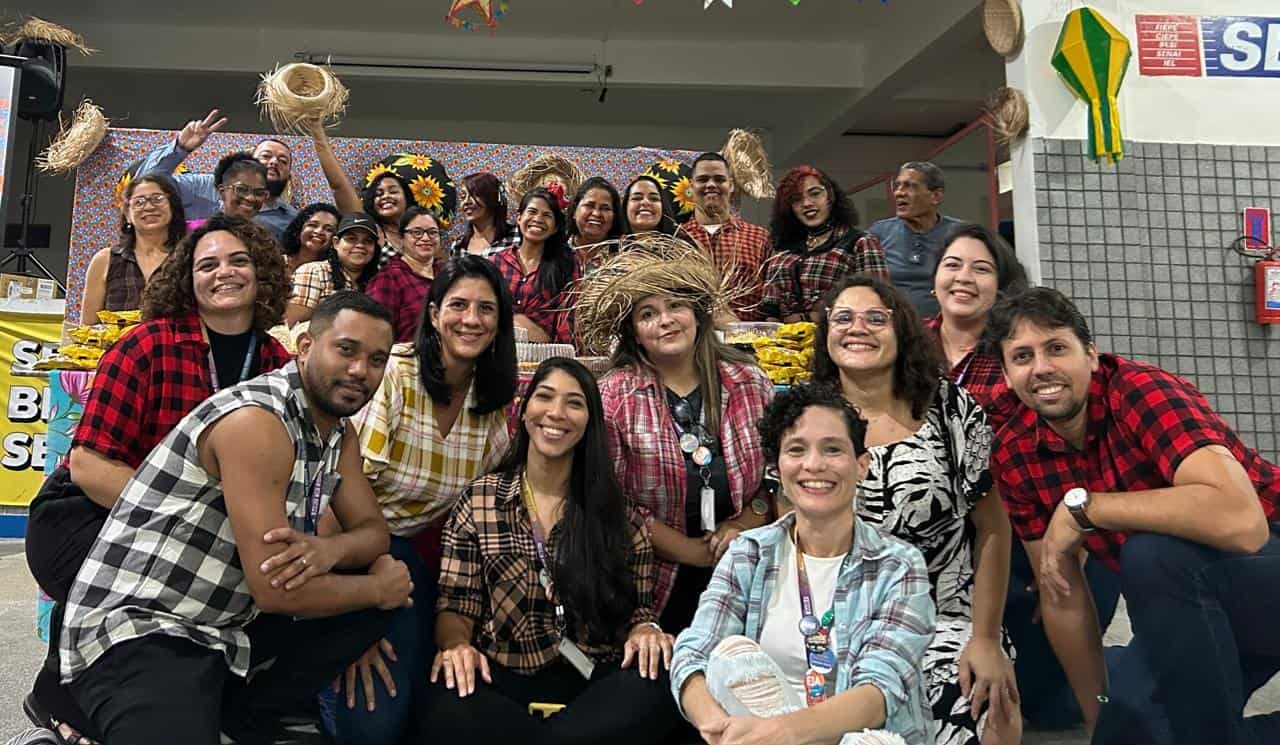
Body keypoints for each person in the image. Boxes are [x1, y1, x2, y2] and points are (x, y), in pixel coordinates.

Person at [57, 293, 412, 745]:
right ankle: (71, 701)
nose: (361, 370)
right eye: (346, 349)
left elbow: (374, 532)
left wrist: (332, 549)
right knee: (381, 589)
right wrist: (379, 587)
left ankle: (239, 716)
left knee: (378, 592)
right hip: (149, 624)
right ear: (305, 346)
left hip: (227, 624)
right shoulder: (258, 422)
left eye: (377, 359)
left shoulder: (337, 432)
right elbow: (276, 590)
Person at [24, 215, 294, 744]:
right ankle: (70, 704)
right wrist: (184, 517)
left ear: (262, 272)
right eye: (207, 264)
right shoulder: (146, 345)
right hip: (87, 511)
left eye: (239, 261)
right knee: (165, 601)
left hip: (205, 532)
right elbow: (89, 466)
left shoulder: (277, 363)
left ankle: (75, 699)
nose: (225, 273)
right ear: (185, 277)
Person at [986, 287, 1280, 745]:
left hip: (1265, 566)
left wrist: (1086, 508)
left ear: (1090, 354)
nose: (1041, 367)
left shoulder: (1139, 390)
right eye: (1022, 356)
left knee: (1153, 552)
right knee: (1124, 733)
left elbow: (1242, 523)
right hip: (1196, 611)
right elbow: (1061, 593)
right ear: (1006, 375)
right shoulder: (1015, 451)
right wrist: (1100, 714)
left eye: (1056, 348)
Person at [424, 357, 680, 744]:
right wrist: (457, 646)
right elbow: (456, 607)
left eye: (574, 403)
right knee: (447, 698)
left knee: (659, 679)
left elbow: (638, 612)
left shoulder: (620, 516)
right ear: (524, 411)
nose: (556, 413)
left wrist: (647, 631)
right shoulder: (480, 501)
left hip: (597, 685)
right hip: (505, 678)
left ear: (590, 422)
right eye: (544, 397)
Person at [812, 274, 1022, 745]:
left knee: (971, 697)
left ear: (902, 330)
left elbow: (992, 530)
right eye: (842, 318)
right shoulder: (805, 417)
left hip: (944, 617)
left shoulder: (950, 409)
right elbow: (795, 540)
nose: (857, 328)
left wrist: (985, 638)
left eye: (875, 318)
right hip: (839, 621)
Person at [672, 382, 936, 744]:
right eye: (796, 450)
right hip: (755, 735)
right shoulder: (749, 553)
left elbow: (880, 692)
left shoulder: (899, 566)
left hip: (850, 737)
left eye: (833, 449)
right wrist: (718, 727)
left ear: (862, 465)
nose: (814, 464)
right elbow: (693, 654)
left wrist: (779, 734)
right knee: (731, 657)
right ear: (777, 467)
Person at [331, 256, 518, 745]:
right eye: (458, 305)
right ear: (434, 314)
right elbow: (333, 498)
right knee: (374, 722)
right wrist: (353, 622)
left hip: (422, 563)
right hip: (348, 550)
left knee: (435, 705)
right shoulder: (394, 375)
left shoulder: (493, 401)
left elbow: (492, 502)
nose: (471, 319)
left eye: (486, 309)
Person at [927, 224, 1105, 730]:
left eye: (981, 269)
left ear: (1001, 283)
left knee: (1051, 707)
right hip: (937, 527)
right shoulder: (909, 343)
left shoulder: (1021, 351)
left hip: (1023, 518)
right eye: (952, 265)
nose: (964, 278)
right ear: (936, 276)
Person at [579, 241, 775, 631]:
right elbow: (611, 503)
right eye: (648, 313)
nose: (666, 320)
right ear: (634, 333)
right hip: (651, 583)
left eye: (676, 306)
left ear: (698, 315)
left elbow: (778, 477)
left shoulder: (750, 382)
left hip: (747, 568)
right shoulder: (615, 397)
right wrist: (690, 552)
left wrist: (742, 525)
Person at [135, 108, 297, 237]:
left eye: (283, 161)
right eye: (266, 156)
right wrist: (180, 148)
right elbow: (146, 185)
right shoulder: (203, 185)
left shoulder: (291, 220)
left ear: (289, 176)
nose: (274, 162)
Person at [761, 165, 889, 323]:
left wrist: (809, 319)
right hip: (780, 343)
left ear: (830, 197)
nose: (807, 203)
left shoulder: (860, 242)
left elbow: (877, 303)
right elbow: (770, 307)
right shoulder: (782, 249)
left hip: (835, 340)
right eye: (796, 199)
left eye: (815, 194)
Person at [80, 173, 186, 323]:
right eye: (139, 202)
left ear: (172, 208)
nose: (149, 207)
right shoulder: (105, 261)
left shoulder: (188, 259)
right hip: (117, 346)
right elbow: (87, 329)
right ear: (127, 215)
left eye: (157, 199)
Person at [675, 152, 769, 321]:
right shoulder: (676, 238)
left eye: (719, 179)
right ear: (691, 186)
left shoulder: (760, 237)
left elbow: (772, 298)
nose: (711, 185)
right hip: (690, 343)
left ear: (731, 185)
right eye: (703, 179)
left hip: (748, 342)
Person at [868, 161, 964, 319]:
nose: (899, 193)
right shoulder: (879, 233)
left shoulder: (960, 233)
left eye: (909, 186)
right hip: (894, 326)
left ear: (935, 196)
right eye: (897, 186)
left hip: (945, 326)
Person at [490, 187, 577, 344]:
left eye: (547, 215)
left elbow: (568, 321)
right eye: (532, 212)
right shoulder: (495, 263)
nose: (538, 219)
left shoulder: (566, 266)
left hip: (543, 356)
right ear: (519, 218)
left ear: (555, 227)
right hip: (497, 353)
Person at [365, 207, 445, 342]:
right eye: (417, 232)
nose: (425, 238)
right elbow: (374, 332)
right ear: (401, 238)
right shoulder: (388, 278)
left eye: (432, 232)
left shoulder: (446, 274)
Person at [288, 213, 380, 327]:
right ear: (336, 243)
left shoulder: (379, 280)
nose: (360, 245)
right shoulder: (314, 272)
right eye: (351, 239)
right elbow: (293, 326)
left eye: (367, 241)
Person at [450, 172, 518, 258]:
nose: (466, 202)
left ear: (492, 198)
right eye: (463, 197)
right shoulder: (458, 247)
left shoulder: (516, 237)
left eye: (475, 195)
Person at [566, 177, 623, 275]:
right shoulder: (555, 251)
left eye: (605, 208)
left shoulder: (622, 260)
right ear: (575, 211)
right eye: (590, 205)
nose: (596, 214)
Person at [206, 152, 271, 228]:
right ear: (222, 192)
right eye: (242, 189)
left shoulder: (265, 237)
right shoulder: (202, 234)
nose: (250, 198)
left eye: (259, 193)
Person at [281, 203, 341, 279]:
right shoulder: (277, 261)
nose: (319, 231)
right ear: (299, 228)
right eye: (313, 225)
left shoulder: (332, 274)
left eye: (328, 229)